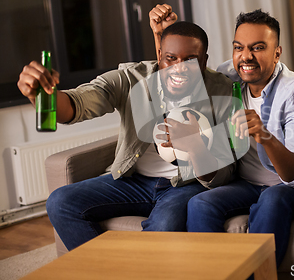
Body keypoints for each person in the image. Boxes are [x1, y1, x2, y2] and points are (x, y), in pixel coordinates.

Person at [18, 19, 235, 251]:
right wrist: (42, 97)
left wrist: (196, 148)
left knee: (164, 224)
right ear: (159, 54)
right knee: (60, 202)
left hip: (187, 184)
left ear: (204, 61)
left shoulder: (223, 92)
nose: (178, 68)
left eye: (190, 60)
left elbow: (225, 175)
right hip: (134, 180)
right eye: (170, 58)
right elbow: (78, 103)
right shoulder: (132, 78)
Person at [149, 5, 294, 267]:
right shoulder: (229, 75)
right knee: (200, 203)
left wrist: (265, 136)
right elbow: (179, 71)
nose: (246, 57)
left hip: (281, 185)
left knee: (271, 200)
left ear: (277, 53)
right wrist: (163, 35)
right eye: (239, 47)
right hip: (243, 182)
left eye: (258, 48)